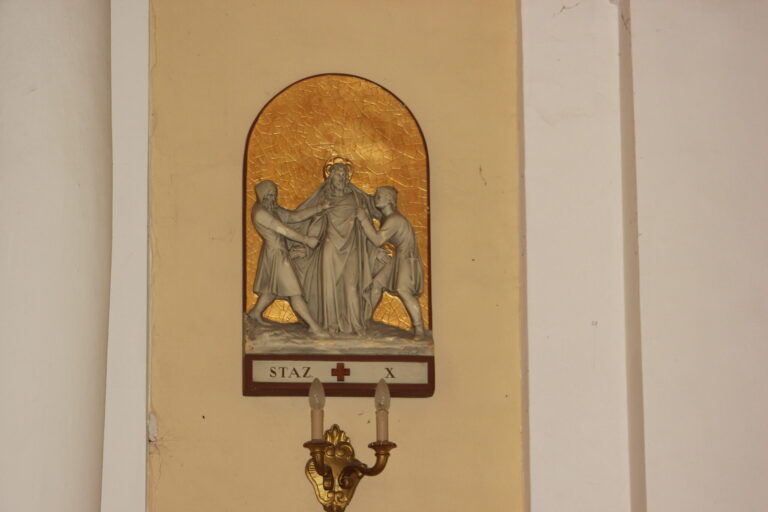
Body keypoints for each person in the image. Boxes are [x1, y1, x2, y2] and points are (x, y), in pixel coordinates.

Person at [290, 161, 381, 335]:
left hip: (352, 247)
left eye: (344, 174)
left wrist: (376, 248)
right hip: (330, 246)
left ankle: (356, 324)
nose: (341, 177)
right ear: (330, 176)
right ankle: (331, 324)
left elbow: (366, 222)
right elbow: (317, 223)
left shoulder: (356, 197)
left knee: (352, 286)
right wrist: (307, 246)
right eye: (338, 173)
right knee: (329, 287)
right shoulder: (324, 198)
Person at [247, 180, 330, 337]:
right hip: (277, 255)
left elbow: (293, 217)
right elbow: (283, 229)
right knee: (295, 292)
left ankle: (255, 313)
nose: (272, 198)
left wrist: (319, 208)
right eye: (268, 195)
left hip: (276, 253)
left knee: (271, 289)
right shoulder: (261, 213)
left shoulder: (271, 209)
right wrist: (306, 240)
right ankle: (314, 326)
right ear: (261, 195)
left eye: (274, 194)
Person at [355, 186, 426, 339]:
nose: (375, 198)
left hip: (406, 259)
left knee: (404, 291)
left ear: (389, 199)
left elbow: (377, 240)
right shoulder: (388, 217)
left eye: (379, 195)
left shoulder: (394, 220)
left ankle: (419, 328)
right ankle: (364, 320)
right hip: (398, 257)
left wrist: (363, 219)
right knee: (377, 284)